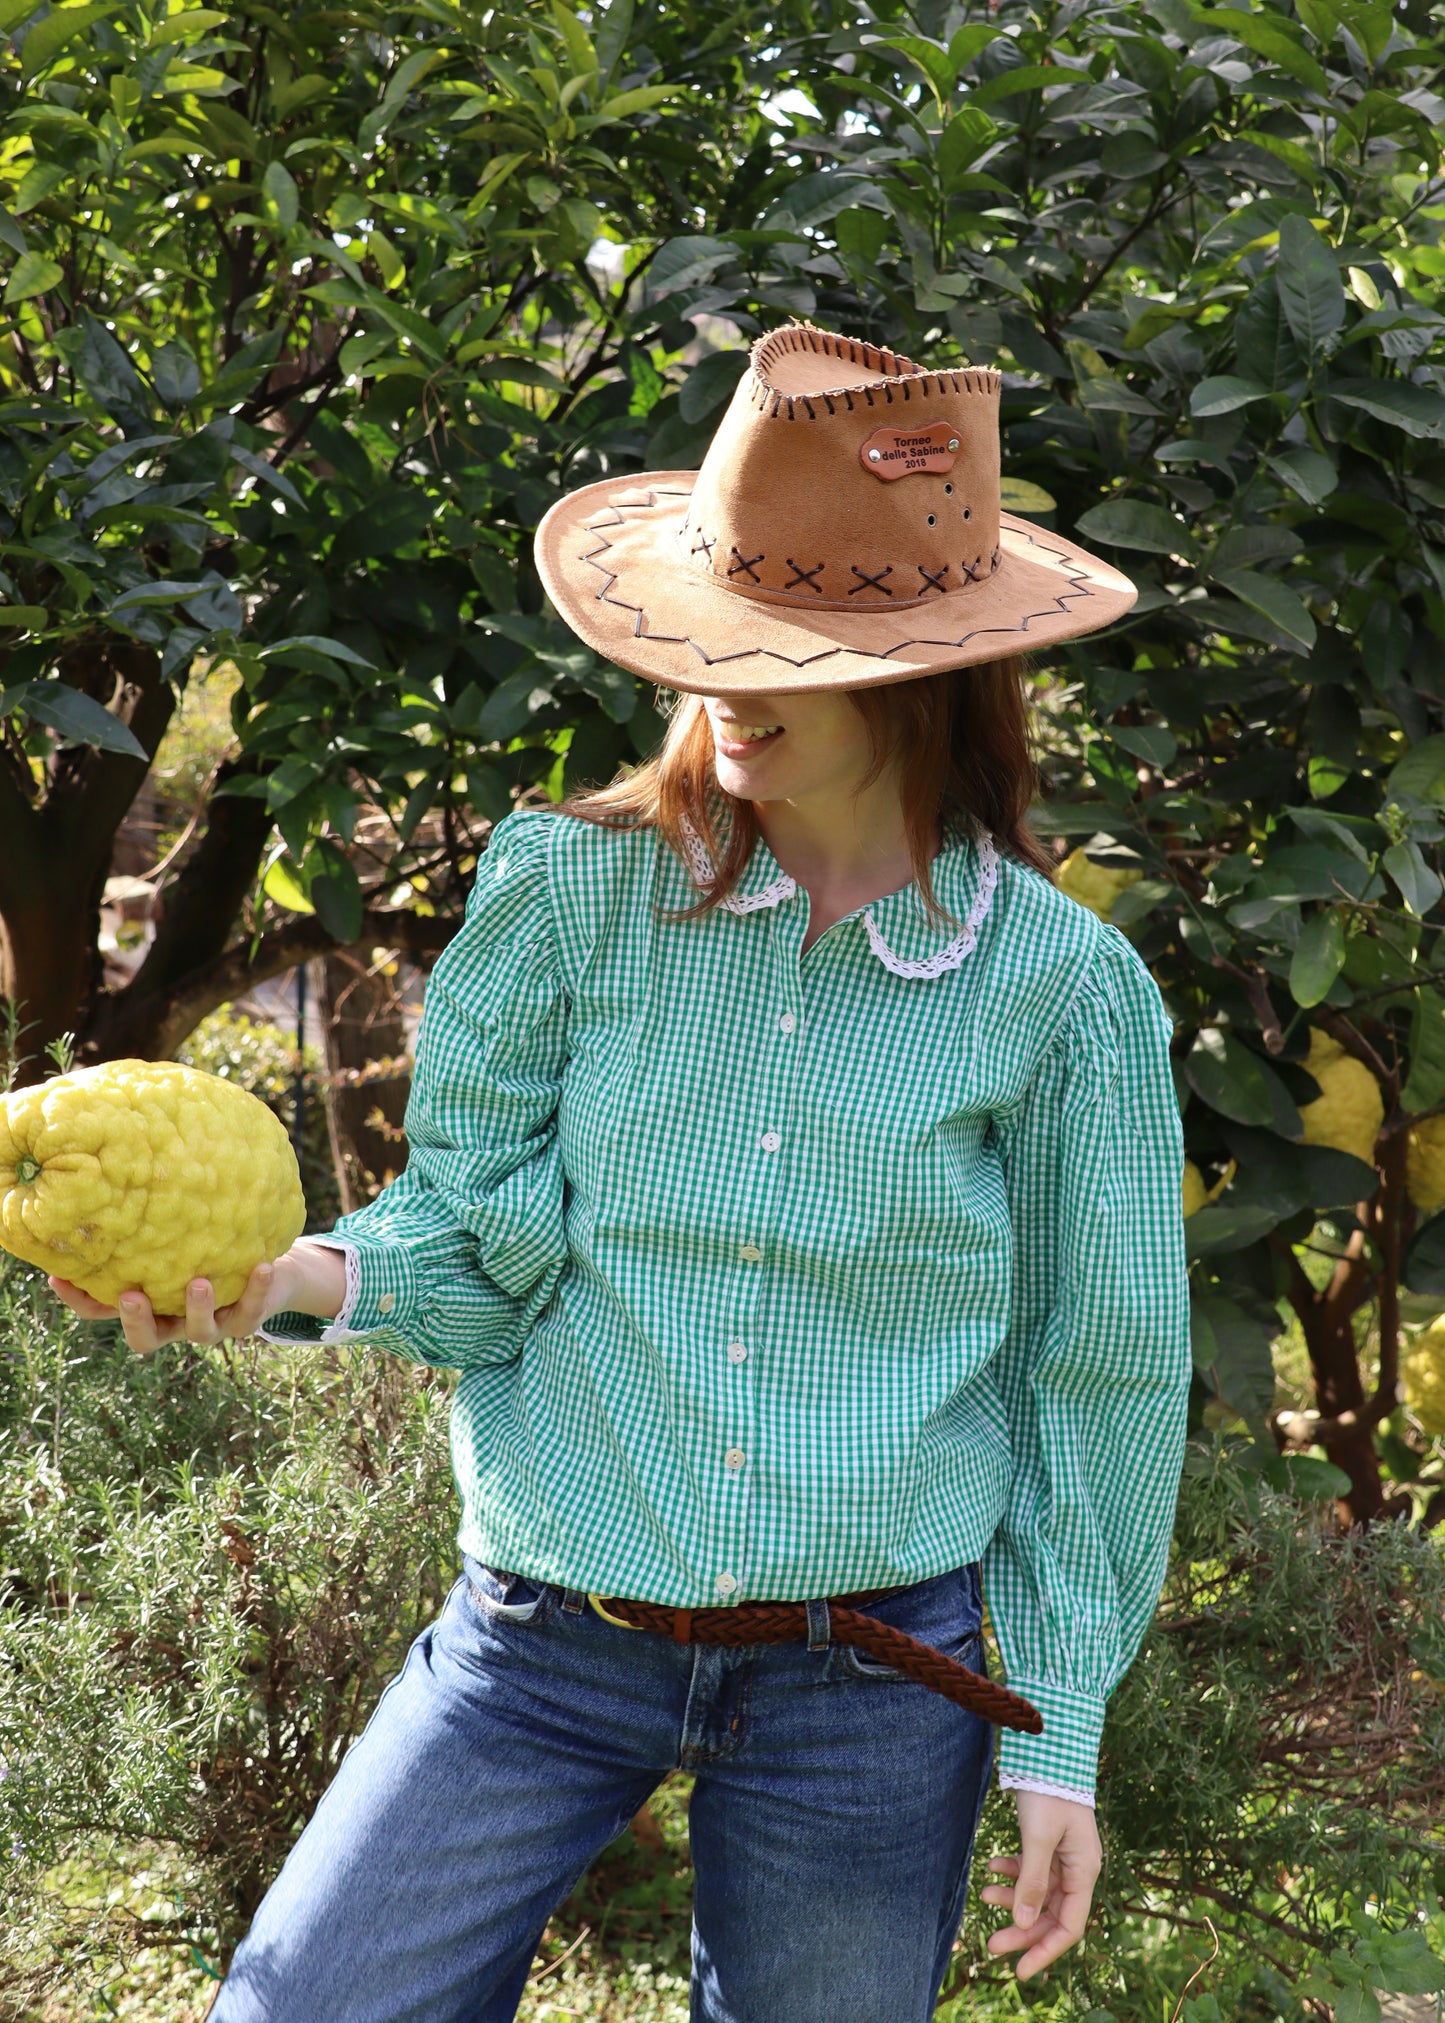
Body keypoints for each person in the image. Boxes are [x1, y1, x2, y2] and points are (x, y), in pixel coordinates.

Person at [53, 320, 1191, 2023]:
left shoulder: (1057, 992)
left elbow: (1094, 1372)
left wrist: (1066, 1737)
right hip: (540, 1643)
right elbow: (478, 1234)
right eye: (713, 633)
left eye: (787, 645)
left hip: (871, 1681)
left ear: (934, 672)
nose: (727, 685)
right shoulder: (567, 896)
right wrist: (297, 1278)